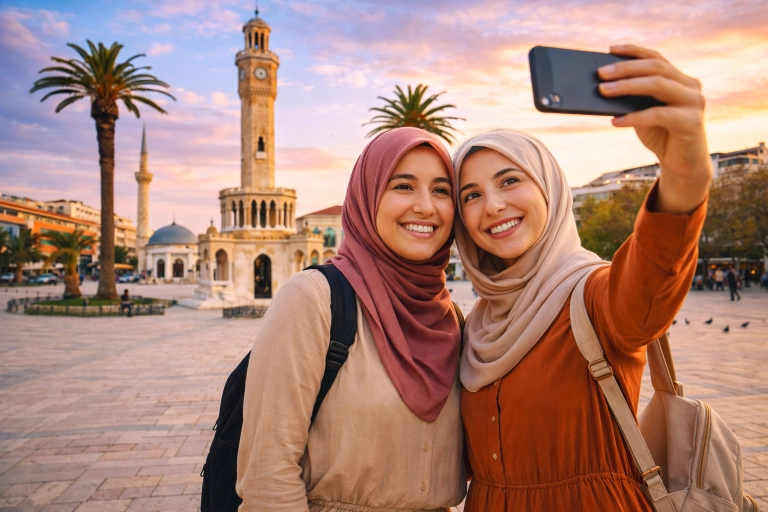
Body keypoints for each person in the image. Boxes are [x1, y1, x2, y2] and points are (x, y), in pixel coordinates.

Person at [452, 45, 710, 511]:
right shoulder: (477, 326)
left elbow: (651, 277)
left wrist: (684, 170)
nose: (491, 205)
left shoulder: (592, 296)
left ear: (549, 189)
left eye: (510, 181)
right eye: (471, 194)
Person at [236, 128, 466, 511]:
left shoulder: (449, 317)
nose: (426, 206)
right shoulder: (313, 299)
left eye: (441, 190)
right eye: (403, 186)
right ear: (367, 196)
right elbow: (268, 474)